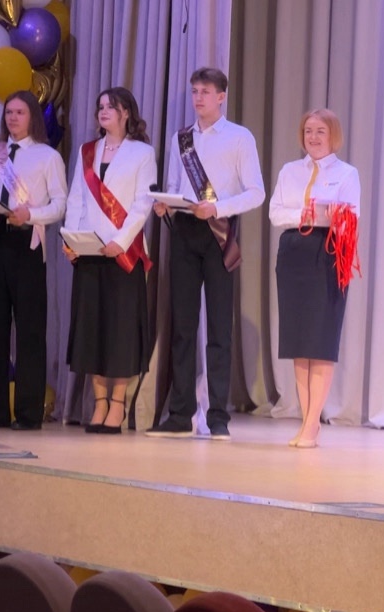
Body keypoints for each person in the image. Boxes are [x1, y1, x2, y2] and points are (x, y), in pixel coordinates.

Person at [147, 67, 265, 441]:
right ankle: (180, 415)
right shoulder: (181, 138)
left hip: (219, 233)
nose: (198, 98)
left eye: (205, 92)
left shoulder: (239, 137)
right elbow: (174, 185)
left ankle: (217, 417)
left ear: (221, 97)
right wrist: (165, 203)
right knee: (182, 325)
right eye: (195, 91)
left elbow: (256, 192)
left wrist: (218, 208)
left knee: (218, 328)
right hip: (184, 231)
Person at [0, 90, 68, 431]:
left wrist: (31, 214)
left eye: (19, 112)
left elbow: (59, 204)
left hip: (27, 243)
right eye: (9, 112)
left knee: (29, 329)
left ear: (32, 118)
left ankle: (28, 413)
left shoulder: (47, 156)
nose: (12, 118)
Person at [63, 87, 156, 434]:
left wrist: (121, 241)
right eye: (100, 106)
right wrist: (71, 238)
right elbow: (76, 197)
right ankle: (99, 403)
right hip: (88, 250)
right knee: (92, 330)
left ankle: (118, 404)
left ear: (126, 113)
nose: (103, 111)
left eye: (111, 107)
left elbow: (143, 203)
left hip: (123, 253)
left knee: (120, 331)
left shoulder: (142, 153)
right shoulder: (88, 151)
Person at [268, 109, 361, 448]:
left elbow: (352, 215)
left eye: (320, 131)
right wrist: (304, 214)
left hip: (328, 252)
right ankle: (308, 422)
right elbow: (276, 212)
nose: (313, 137)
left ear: (333, 135)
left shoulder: (347, 173)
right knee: (299, 342)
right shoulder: (289, 171)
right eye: (308, 130)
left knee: (320, 341)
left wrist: (334, 215)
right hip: (293, 253)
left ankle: (312, 424)